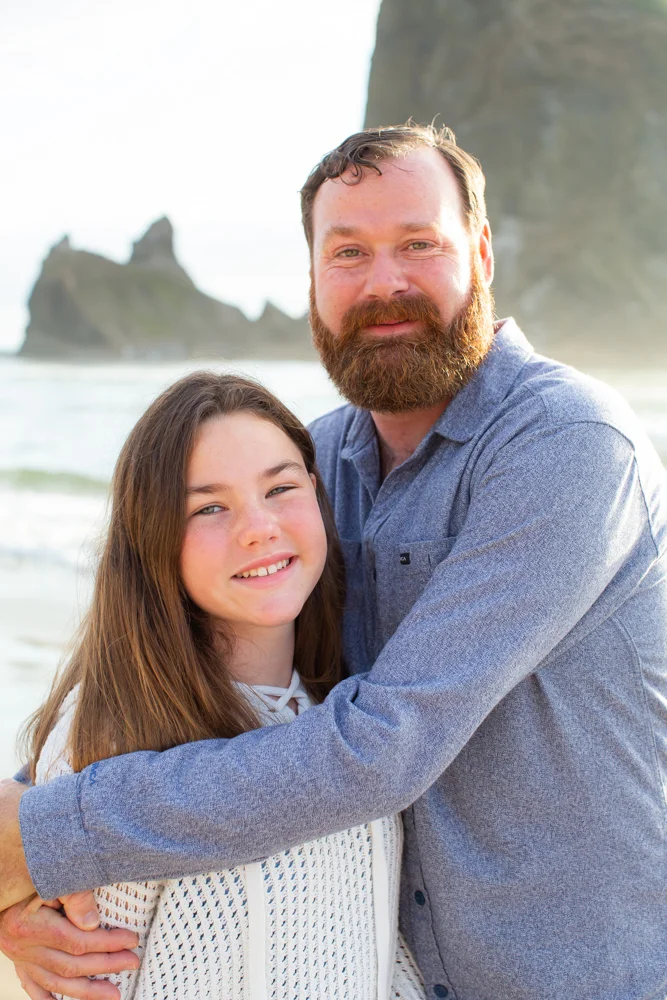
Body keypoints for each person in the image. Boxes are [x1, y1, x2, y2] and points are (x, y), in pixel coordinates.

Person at [1, 122, 666, 1000]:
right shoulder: (308, 472)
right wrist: (24, 893)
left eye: (417, 244)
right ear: (312, 278)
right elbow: (152, 645)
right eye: (347, 252)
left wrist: (49, 835)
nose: (384, 282)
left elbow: (381, 747)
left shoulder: (566, 447)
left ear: (481, 251)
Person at [0, 371, 426, 999]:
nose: (258, 528)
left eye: (280, 488)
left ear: (316, 492)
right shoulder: (109, 740)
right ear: (153, 539)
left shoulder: (345, 714)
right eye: (209, 507)